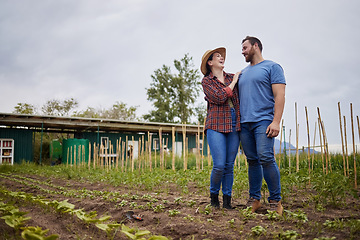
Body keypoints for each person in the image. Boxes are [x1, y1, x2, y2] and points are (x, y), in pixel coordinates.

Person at [238, 36, 286, 215]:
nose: (242, 51)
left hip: (264, 121)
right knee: (252, 161)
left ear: (255, 46)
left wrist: (276, 121)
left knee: (266, 158)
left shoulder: (272, 67)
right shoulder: (242, 73)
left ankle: (275, 201)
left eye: (245, 47)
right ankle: (255, 200)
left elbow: (279, 96)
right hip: (244, 123)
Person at [201, 47, 241, 209]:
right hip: (215, 123)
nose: (221, 57)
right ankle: (213, 199)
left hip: (233, 122)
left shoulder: (233, 77)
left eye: (222, 56)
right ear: (210, 62)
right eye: (217, 56)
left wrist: (234, 80)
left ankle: (227, 201)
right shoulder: (207, 81)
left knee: (229, 165)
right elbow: (219, 97)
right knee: (219, 165)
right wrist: (233, 83)